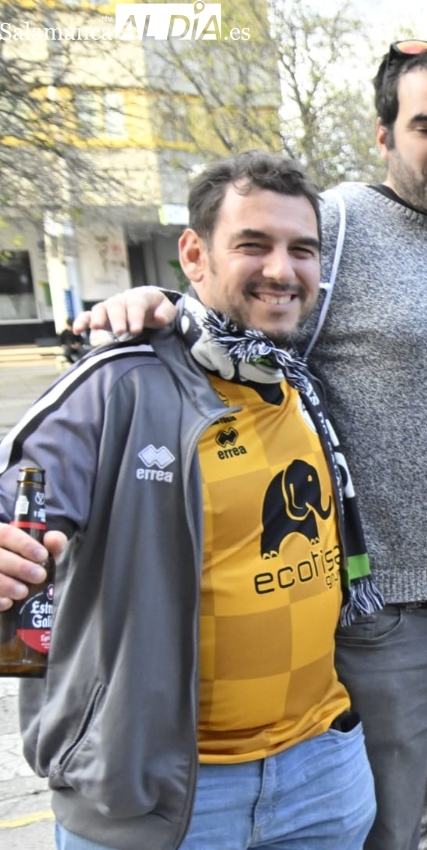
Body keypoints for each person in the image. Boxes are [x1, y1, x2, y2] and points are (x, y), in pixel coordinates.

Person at [71, 41, 427, 849]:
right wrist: (160, 306)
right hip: (383, 619)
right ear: (384, 136)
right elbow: (253, 304)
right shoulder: (340, 223)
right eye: (426, 125)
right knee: (386, 834)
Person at [0, 152, 376, 849]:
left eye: (302, 250)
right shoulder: (120, 382)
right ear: (194, 255)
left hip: (322, 770)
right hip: (165, 791)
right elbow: (24, 499)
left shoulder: (301, 378)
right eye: (253, 245)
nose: (282, 269)